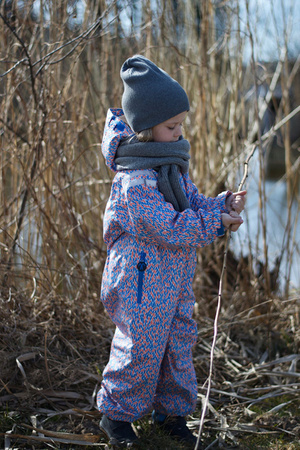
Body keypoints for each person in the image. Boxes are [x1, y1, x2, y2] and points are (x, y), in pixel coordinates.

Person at [97, 55, 246, 448]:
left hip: (174, 276)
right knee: (141, 345)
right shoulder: (135, 180)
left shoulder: (170, 165)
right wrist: (215, 225)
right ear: (145, 127)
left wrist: (222, 206)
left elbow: (192, 204)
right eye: (171, 125)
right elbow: (165, 227)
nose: (180, 132)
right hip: (139, 279)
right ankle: (116, 416)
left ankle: (171, 413)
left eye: (181, 123)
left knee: (179, 340)